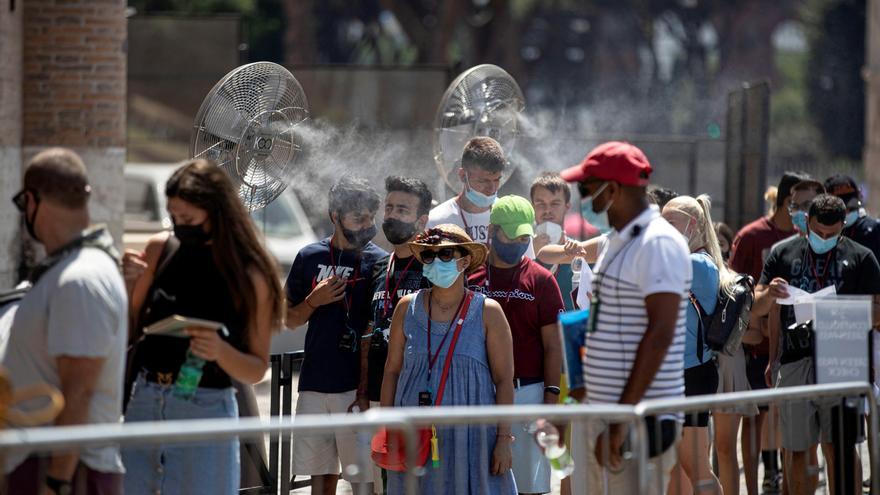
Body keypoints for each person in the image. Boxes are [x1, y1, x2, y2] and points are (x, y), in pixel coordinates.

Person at [122, 159, 284, 495]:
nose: (180, 226)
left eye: (189, 219)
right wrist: (127, 284)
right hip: (146, 398)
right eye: (174, 218)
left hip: (205, 403)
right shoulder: (160, 249)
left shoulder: (249, 273)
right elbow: (128, 330)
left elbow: (256, 367)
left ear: (217, 212)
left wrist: (220, 351)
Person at [559, 141, 692, 493]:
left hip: (636, 419)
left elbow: (660, 332)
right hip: (605, 413)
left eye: (585, 189)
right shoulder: (618, 240)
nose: (582, 198)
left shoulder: (658, 242)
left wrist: (620, 421)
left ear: (613, 189)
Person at [2, 148, 126, 495]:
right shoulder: (72, 270)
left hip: (64, 473)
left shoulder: (79, 280)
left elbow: (79, 391)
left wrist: (57, 481)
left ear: (31, 200)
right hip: (43, 464)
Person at [755, 194, 880, 494]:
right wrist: (769, 295)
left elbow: (878, 313)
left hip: (842, 362)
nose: (824, 238)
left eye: (832, 234)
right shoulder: (783, 253)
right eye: (818, 232)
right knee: (797, 451)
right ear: (807, 222)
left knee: (840, 448)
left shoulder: (862, 258)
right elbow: (758, 308)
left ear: (843, 227)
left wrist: (838, 310)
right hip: (796, 361)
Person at [380, 224, 517, 495]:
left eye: (445, 255)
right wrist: (388, 431)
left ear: (464, 261)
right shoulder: (406, 306)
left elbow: (504, 381)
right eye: (429, 256)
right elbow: (392, 371)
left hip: (472, 438)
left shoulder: (488, 312)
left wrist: (503, 439)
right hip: (413, 436)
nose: (435, 262)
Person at [285, 176, 386, 495]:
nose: (366, 225)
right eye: (358, 217)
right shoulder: (308, 257)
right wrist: (313, 300)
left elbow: (376, 326)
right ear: (334, 216)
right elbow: (288, 320)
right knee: (321, 477)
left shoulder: (379, 261)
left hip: (355, 389)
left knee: (363, 481)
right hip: (314, 384)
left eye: (371, 217)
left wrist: (366, 391)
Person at [729, 171, 819, 494]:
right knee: (753, 423)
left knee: (788, 429)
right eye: (799, 203)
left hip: (794, 351)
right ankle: (752, 487)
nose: (804, 210)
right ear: (785, 201)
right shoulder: (752, 237)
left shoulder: (813, 240)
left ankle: (782, 483)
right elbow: (734, 287)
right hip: (756, 347)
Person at [467, 195, 564, 495]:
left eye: (526, 235)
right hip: (477, 393)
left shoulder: (542, 280)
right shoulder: (470, 275)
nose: (521, 241)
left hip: (528, 394)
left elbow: (553, 347)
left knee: (529, 488)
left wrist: (549, 401)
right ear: (493, 230)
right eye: (514, 234)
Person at [352, 176, 432, 494]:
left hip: (414, 394)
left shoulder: (434, 268)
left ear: (422, 219)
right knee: (380, 486)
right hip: (376, 394)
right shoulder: (377, 267)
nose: (393, 215)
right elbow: (368, 332)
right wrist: (361, 389)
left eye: (403, 209)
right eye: (389, 208)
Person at [661, 195, 729, 495]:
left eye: (670, 222)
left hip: (692, 374)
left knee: (696, 466)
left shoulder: (698, 263)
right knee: (674, 465)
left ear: (694, 224)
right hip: (675, 374)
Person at [530, 172, 577, 310]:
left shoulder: (579, 253)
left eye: (555, 203)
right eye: (540, 204)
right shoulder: (519, 253)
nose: (547, 210)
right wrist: (530, 252)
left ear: (567, 207)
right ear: (532, 206)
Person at [825, 174, 880, 259]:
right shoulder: (822, 235)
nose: (847, 212)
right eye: (842, 209)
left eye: (851, 208)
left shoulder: (873, 230)